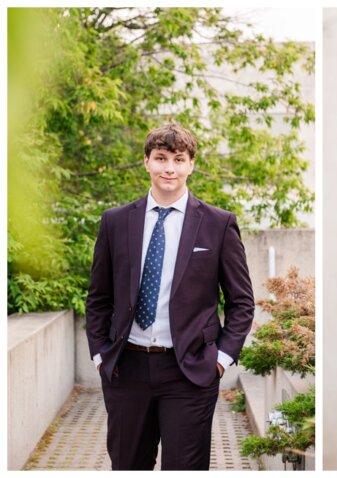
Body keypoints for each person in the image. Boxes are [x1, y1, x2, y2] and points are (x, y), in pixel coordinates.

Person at [85, 123, 255, 470]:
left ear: (191, 164)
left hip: (189, 372)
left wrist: (220, 360)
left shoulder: (218, 224)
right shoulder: (115, 221)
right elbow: (99, 297)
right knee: (128, 466)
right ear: (146, 161)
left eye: (179, 159)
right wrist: (101, 356)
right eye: (161, 158)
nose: (169, 168)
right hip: (126, 370)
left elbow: (241, 302)